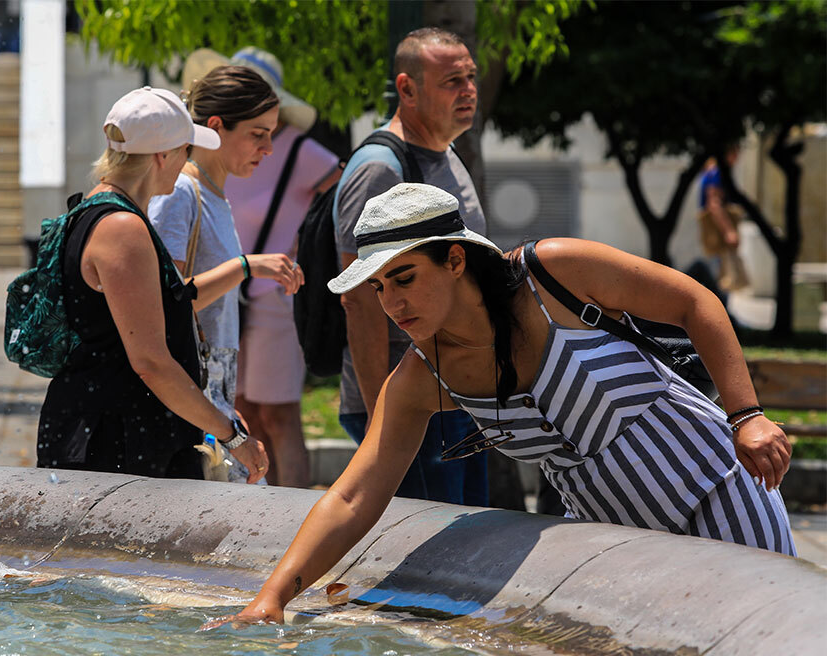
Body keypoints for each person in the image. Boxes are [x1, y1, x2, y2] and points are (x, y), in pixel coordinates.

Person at [210, 182, 795, 625]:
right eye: (379, 286)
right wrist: (272, 598)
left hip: (717, 489)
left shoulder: (552, 273)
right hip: (612, 536)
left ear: (456, 259)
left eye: (405, 277)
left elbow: (695, 302)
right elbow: (352, 496)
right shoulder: (420, 377)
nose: (392, 303)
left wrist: (746, 415)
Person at [36, 87, 274, 483]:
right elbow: (151, 362)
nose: (188, 162)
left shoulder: (102, 212)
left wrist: (211, 408)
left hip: (114, 435)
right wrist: (232, 437)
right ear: (162, 156)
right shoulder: (121, 228)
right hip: (116, 446)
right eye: (185, 151)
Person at [334, 27, 488, 504]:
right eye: (451, 81)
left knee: (470, 554)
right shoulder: (381, 167)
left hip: (458, 395)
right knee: (428, 562)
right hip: (411, 404)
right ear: (407, 89)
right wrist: (386, 410)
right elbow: (359, 299)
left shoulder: (448, 150)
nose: (468, 91)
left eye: (470, 77)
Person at [184, 47, 340, 488]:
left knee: (277, 412)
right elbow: (172, 295)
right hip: (230, 302)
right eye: (257, 133)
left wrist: (302, 249)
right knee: (246, 413)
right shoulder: (198, 182)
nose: (267, 147)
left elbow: (342, 199)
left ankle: (291, 522)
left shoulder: (293, 150)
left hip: (270, 298)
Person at [148, 65, 305, 470]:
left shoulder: (212, 194)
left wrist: (225, 409)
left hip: (210, 406)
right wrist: (246, 266)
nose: (268, 147)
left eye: (272, 133)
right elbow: (166, 306)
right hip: (184, 410)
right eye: (258, 133)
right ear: (216, 126)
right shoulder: (182, 192)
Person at [697, 146, 750, 295]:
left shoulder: (710, 170)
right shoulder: (717, 172)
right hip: (718, 234)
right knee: (721, 283)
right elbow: (714, 204)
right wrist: (729, 231)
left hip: (714, 233)